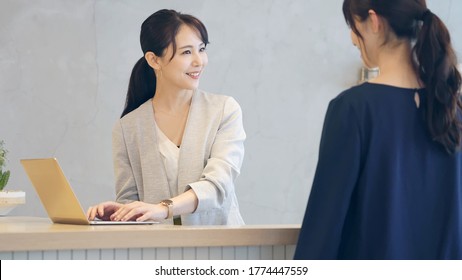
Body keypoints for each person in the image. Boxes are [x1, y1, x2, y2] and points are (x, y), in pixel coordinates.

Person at [295, 0, 462, 259]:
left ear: (374, 22)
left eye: (352, 25)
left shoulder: (353, 109)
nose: (352, 38)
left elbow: (323, 229)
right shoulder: (453, 109)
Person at [87, 9, 245, 225]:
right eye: (187, 52)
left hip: (221, 249)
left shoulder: (224, 110)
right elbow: (131, 203)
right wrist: (119, 213)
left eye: (201, 49)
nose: (200, 61)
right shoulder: (127, 128)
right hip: (160, 252)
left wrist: (164, 208)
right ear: (154, 60)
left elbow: (218, 185)